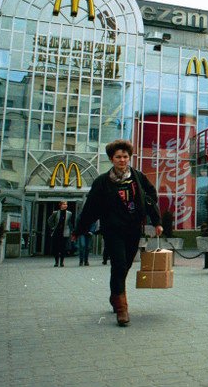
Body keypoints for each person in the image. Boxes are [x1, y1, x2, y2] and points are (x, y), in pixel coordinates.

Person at [73, 139, 162, 327]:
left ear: (129, 158)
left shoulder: (137, 177)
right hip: (113, 230)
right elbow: (90, 208)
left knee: (127, 264)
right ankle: (122, 309)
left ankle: (115, 296)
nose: (122, 160)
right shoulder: (102, 182)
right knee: (119, 264)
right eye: (118, 157)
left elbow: (150, 198)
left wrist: (157, 222)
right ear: (111, 159)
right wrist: (79, 229)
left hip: (133, 229)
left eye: (125, 157)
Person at [47, 201, 72, 267]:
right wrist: (52, 227)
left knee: (63, 248)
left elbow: (69, 223)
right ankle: (56, 262)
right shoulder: (55, 213)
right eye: (64, 204)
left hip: (65, 232)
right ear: (60, 205)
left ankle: (62, 262)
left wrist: (70, 230)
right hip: (57, 232)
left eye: (66, 204)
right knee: (56, 248)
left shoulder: (69, 213)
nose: (65, 205)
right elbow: (49, 220)